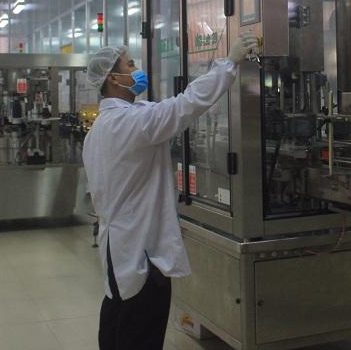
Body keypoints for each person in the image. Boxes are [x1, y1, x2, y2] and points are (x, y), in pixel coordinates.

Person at [83, 33, 256, 350]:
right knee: (139, 334)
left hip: (118, 250)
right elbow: (186, 104)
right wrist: (229, 63)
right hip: (143, 254)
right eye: (130, 65)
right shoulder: (131, 123)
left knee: (115, 326)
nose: (137, 70)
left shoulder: (99, 129)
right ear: (113, 78)